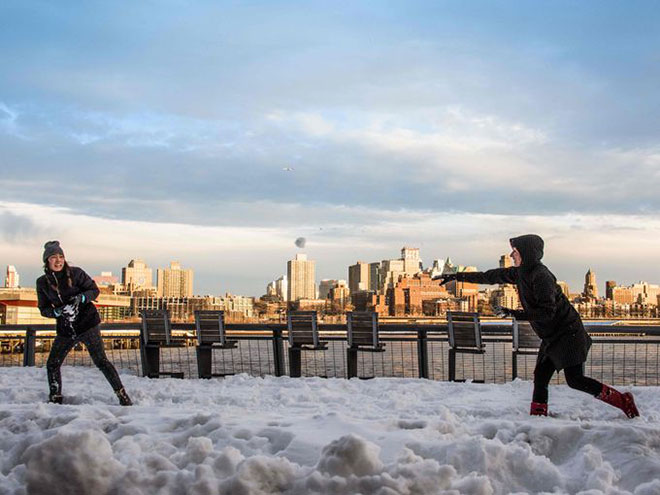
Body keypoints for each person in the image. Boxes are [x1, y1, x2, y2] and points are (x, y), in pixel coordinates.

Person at [434, 234, 639, 418]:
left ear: (526, 253)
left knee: (575, 380)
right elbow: (490, 276)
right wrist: (456, 276)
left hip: (568, 333)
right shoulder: (521, 273)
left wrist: (515, 314)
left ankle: (623, 401)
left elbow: (546, 311)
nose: (511, 254)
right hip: (552, 336)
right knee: (540, 377)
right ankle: (538, 416)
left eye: (515, 251)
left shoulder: (540, 276)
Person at [36, 240, 132, 406]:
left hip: (87, 324)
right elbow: (43, 308)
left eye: (61, 256)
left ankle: (122, 395)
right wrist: (56, 312)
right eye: (54, 257)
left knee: (101, 361)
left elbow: (94, 290)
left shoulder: (76, 273)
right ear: (47, 261)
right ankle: (55, 397)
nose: (58, 260)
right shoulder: (42, 283)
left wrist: (82, 298)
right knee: (53, 363)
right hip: (66, 328)